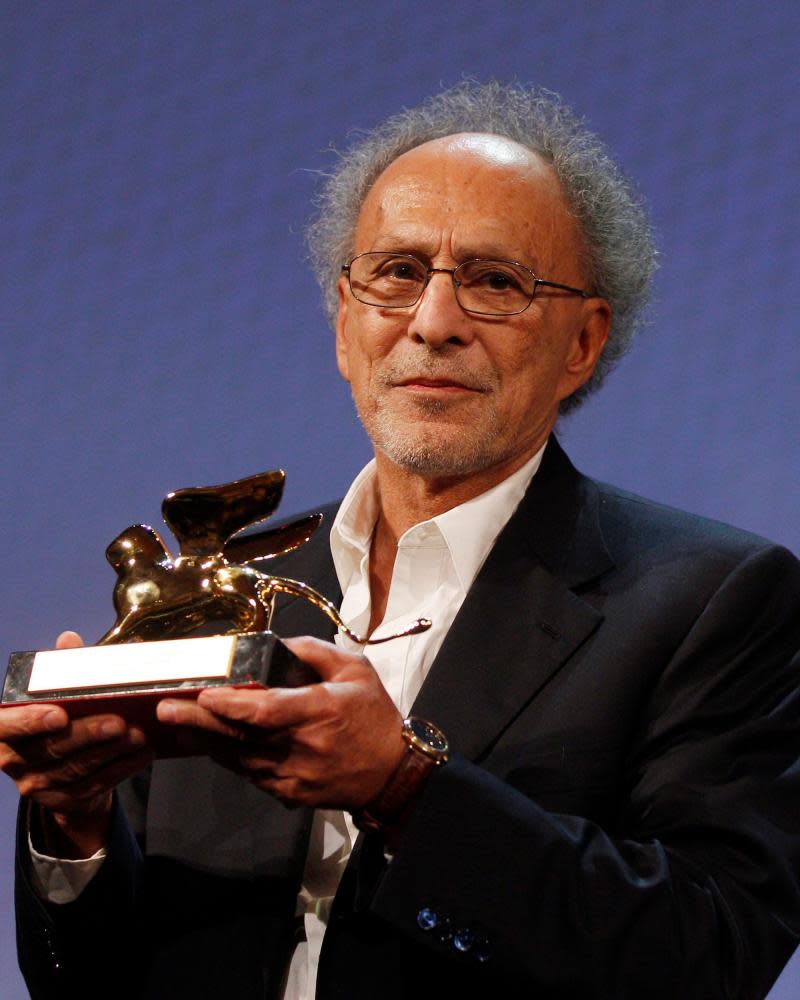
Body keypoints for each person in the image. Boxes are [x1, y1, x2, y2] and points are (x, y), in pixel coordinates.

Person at [4, 82, 800, 1000]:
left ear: (582, 342)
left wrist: (404, 789)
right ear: (346, 321)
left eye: (497, 283)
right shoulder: (228, 586)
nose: (434, 321)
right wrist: (75, 825)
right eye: (397, 272)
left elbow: (709, 955)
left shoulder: (711, 599)